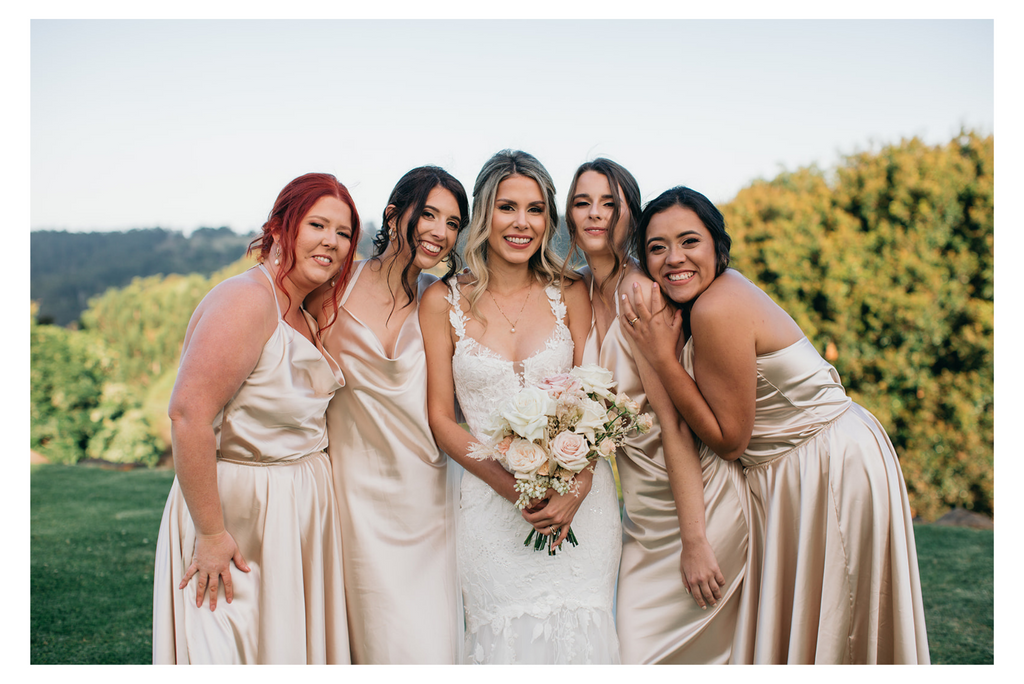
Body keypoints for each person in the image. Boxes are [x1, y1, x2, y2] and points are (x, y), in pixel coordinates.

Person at [621, 186, 930, 664]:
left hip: (826, 464)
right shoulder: (710, 296)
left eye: (689, 241)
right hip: (798, 463)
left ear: (718, 248)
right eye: (657, 247)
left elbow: (728, 440)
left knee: (838, 621)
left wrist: (663, 359)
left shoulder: (716, 308)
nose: (673, 258)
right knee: (815, 621)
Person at [420, 149, 621, 664]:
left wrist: (578, 487)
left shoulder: (571, 291)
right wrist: (514, 489)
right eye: (507, 207)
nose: (521, 223)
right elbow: (443, 418)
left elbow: (595, 395)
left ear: (548, 219)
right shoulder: (441, 302)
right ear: (484, 214)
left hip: (582, 506)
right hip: (491, 508)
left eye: (535, 210)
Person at [152, 173, 359, 664]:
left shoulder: (305, 311)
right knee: (229, 649)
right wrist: (209, 534)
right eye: (317, 224)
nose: (331, 241)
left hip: (299, 511)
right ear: (282, 225)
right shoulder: (246, 300)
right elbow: (188, 416)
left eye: (344, 232)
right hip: (238, 512)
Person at [566, 159, 751, 664]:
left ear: (632, 215)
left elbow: (674, 424)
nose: (596, 214)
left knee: (653, 654)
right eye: (583, 203)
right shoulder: (574, 289)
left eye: (610, 203)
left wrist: (695, 540)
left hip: (694, 504)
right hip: (640, 511)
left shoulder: (644, 295)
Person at [307, 166, 469, 664]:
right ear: (394, 214)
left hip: (430, 502)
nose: (440, 232)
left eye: (454, 222)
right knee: (371, 647)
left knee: (431, 646)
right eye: (430, 214)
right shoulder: (331, 284)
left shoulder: (445, 300)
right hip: (350, 502)